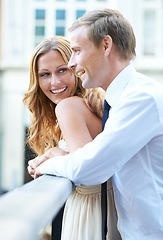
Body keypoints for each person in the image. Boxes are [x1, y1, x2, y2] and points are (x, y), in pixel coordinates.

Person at [34, 9, 163, 240]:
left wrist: (45, 165)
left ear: (106, 45)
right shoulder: (118, 100)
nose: (72, 63)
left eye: (76, 51)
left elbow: (89, 168)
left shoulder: (141, 99)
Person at [24, 36, 121, 240]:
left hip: (89, 211)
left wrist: (54, 157)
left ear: (76, 68)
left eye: (62, 70)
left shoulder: (67, 107)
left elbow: (85, 170)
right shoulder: (93, 103)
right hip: (108, 211)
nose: (55, 82)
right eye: (45, 74)